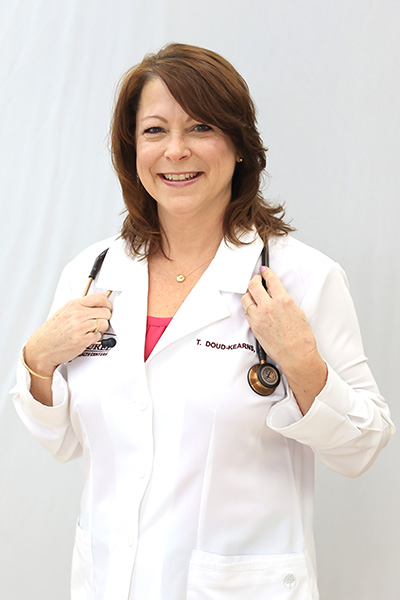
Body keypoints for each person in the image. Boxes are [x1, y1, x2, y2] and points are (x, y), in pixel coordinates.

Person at [12, 43, 394, 600]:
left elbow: (362, 446)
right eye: (154, 131)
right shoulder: (92, 273)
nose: (175, 151)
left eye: (200, 127)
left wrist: (303, 365)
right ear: (130, 148)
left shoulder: (302, 278)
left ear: (239, 144)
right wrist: (36, 362)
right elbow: (65, 442)